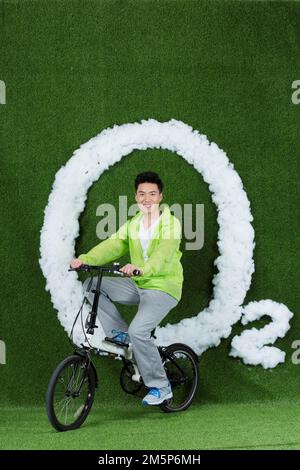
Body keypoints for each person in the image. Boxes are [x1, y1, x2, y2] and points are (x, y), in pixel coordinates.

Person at [70, 171, 184, 406]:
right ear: (136, 197)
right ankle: (118, 333)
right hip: (138, 284)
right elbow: (113, 245)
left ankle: (161, 387)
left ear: (160, 196)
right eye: (142, 194)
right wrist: (85, 259)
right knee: (92, 284)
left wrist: (142, 269)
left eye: (152, 194)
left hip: (163, 287)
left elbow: (163, 253)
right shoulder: (134, 224)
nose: (147, 199)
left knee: (139, 332)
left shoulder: (171, 224)